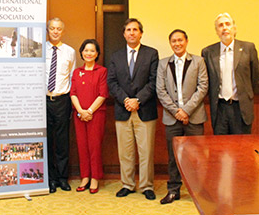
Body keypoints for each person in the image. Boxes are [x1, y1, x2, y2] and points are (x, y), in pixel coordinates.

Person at [107, 18, 158, 200]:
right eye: (128, 30)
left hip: (145, 111)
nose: (131, 33)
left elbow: (154, 82)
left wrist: (138, 100)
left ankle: (146, 186)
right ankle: (127, 184)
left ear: (141, 33)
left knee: (146, 152)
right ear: (124, 34)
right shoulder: (116, 56)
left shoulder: (151, 54)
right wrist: (126, 100)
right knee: (125, 152)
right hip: (123, 110)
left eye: (135, 29)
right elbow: (112, 83)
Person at [156, 29, 208, 204]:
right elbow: (160, 91)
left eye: (180, 40)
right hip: (172, 118)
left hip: (194, 117)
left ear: (186, 41)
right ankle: (173, 190)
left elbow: (203, 87)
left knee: (197, 156)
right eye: (173, 41)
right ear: (170, 43)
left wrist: (186, 110)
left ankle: (198, 192)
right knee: (173, 156)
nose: (177, 44)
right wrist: (177, 112)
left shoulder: (198, 61)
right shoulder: (163, 64)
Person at [202, 13, 259, 135]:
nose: (224, 28)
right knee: (220, 149)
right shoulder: (208, 52)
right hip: (219, 108)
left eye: (228, 24)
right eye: (220, 25)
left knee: (242, 148)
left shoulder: (248, 48)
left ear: (234, 28)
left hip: (241, 107)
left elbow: (254, 77)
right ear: (217, 31)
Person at [71, 39, 108, 194]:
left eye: (92, 51)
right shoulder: (76, 72)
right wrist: (80, 111)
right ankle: (85, 176)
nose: (88, 53)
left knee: (94, 146)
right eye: (86, 50)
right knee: (82, 146)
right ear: (81, 52)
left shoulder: (101, 71)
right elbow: (73, 93)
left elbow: (103, 94)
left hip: (96, 115)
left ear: (97, 54)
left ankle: (95, 178)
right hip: (78, 115)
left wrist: (89, 111)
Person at [46, 17, 76, 193]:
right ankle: (51, 179)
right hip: (43, 100)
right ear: (48, 30)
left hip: (62, 100)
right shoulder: (39, 50)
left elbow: (72, 77)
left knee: (63, 141)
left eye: (58, 29)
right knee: (47, 141)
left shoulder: (70, 52)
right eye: (52, 28)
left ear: (63, 31)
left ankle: (63, 178)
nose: (55, 31)